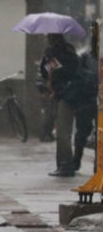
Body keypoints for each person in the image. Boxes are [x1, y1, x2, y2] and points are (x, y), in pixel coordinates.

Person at [39, 33, 80, 177]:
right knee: (60, 131)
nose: (48, 39)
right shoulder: (50, 53)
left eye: (50, 37)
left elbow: (70, 71)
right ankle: (61, 164)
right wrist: (46, 60)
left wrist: (55, 63)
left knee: (63, 132)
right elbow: (45, 73)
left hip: (67, 96)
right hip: (57, 95)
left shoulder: (67, 52)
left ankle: (66, 165)